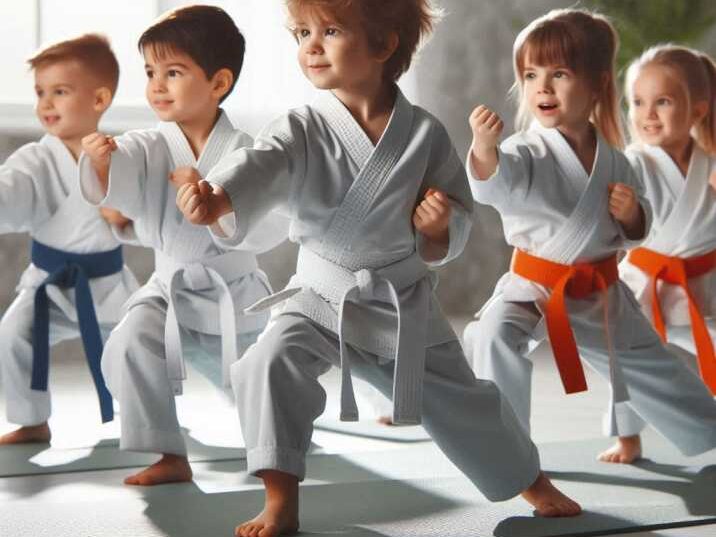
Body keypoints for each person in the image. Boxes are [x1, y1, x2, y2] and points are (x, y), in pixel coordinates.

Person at [178, 1, 582, 535]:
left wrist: (438, 226)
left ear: (385, 45)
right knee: (267, 363)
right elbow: (260, 162)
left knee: (464, 400)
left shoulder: (424, 134)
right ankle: (280, 501)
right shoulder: (301, 126)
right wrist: (219, 197)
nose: (311, 46)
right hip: (320, 295)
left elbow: (457, 213)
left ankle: (532, 480)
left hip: (398, 300)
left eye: (330, 30)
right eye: (301, 32)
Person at [462, 8, 716, 467]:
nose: (542, 86)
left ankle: (708, 427)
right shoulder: (524, 150)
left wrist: (634, 216)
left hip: (601, 291)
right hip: (535, 285)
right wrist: (484, 151)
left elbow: (632, 232)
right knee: (495, 334)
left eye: (559, 73)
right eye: (531, 74)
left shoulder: (618, 160)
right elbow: (495, 186)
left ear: (599, 84)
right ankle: (508, 457)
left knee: (652, 364)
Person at [79, 5, 288, 486]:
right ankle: (169, 454)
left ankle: (282, 441)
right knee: (132, 341)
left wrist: (216, 197)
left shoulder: (249, 152)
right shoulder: (147, 144)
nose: (156, 85)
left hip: (234, 297)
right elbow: (120, 187)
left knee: (262, 381)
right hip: (169, 289)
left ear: (218, 83)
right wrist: (102, 165)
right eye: (151, 72)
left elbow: (274, 222)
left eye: (173, 72)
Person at [0, 34, 138, 444]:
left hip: (110, 288)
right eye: (41, 92)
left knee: (137, 349)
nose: (45, 103)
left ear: (99, 99)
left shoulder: (123, 155)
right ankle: (31, 419)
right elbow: (11, 190)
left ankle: (147, 420)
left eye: (60, 92)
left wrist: (127, 212)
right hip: (49, 286)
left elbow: (142, 216)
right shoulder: (35, 160)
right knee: (12, 336)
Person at [613, 44, 716, 462]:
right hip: (645, 285)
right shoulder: (629, 164)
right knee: (625, 358)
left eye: (663, 102)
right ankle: (627, 436)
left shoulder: (709, 164)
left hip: (703, 285)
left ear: (697, 111)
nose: (647, 114)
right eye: (638, 102)